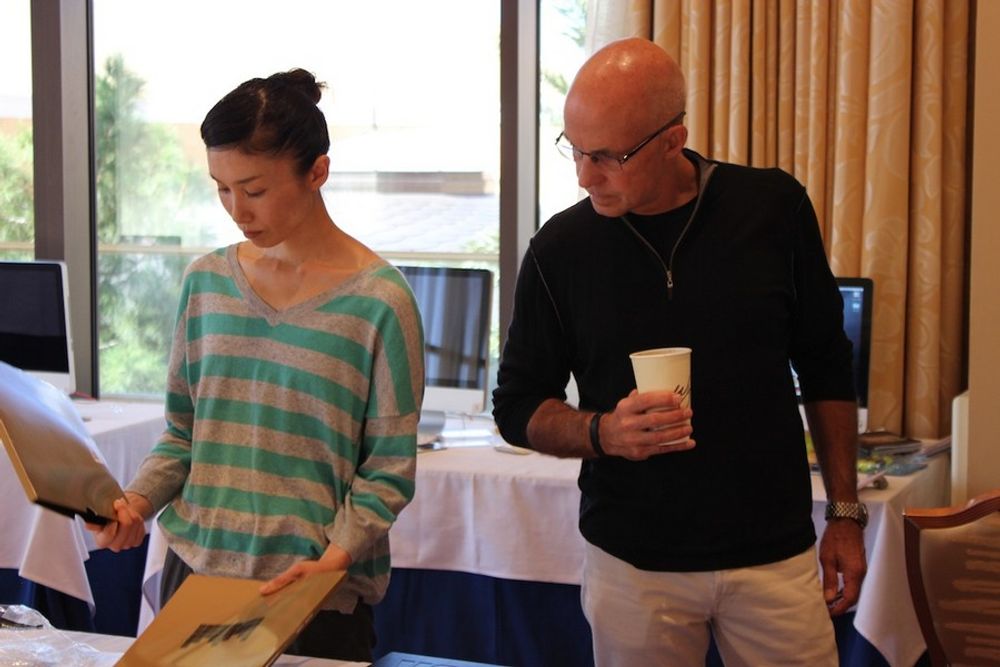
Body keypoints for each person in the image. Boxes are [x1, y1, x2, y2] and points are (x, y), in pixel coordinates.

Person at [492, 38, 867, 666]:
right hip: (632, 563)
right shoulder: (561, 250)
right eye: (576, 151)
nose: (586, 177)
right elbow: (516, 406)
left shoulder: (772, 210)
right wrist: (603, 431)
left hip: (773, 554)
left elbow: (826, 364)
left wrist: (846, 514)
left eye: (609, 157)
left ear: (673, 139)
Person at [88, 68, 424, 662]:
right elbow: (183, 433)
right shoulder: (207, 283)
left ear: (317, 171)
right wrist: (138, 502)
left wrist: (336, 556)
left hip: (314, 595)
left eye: (255, 189)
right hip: (196, 583)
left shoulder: (380, 302)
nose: (236, 210)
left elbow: (388, 467)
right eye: (221, 188)